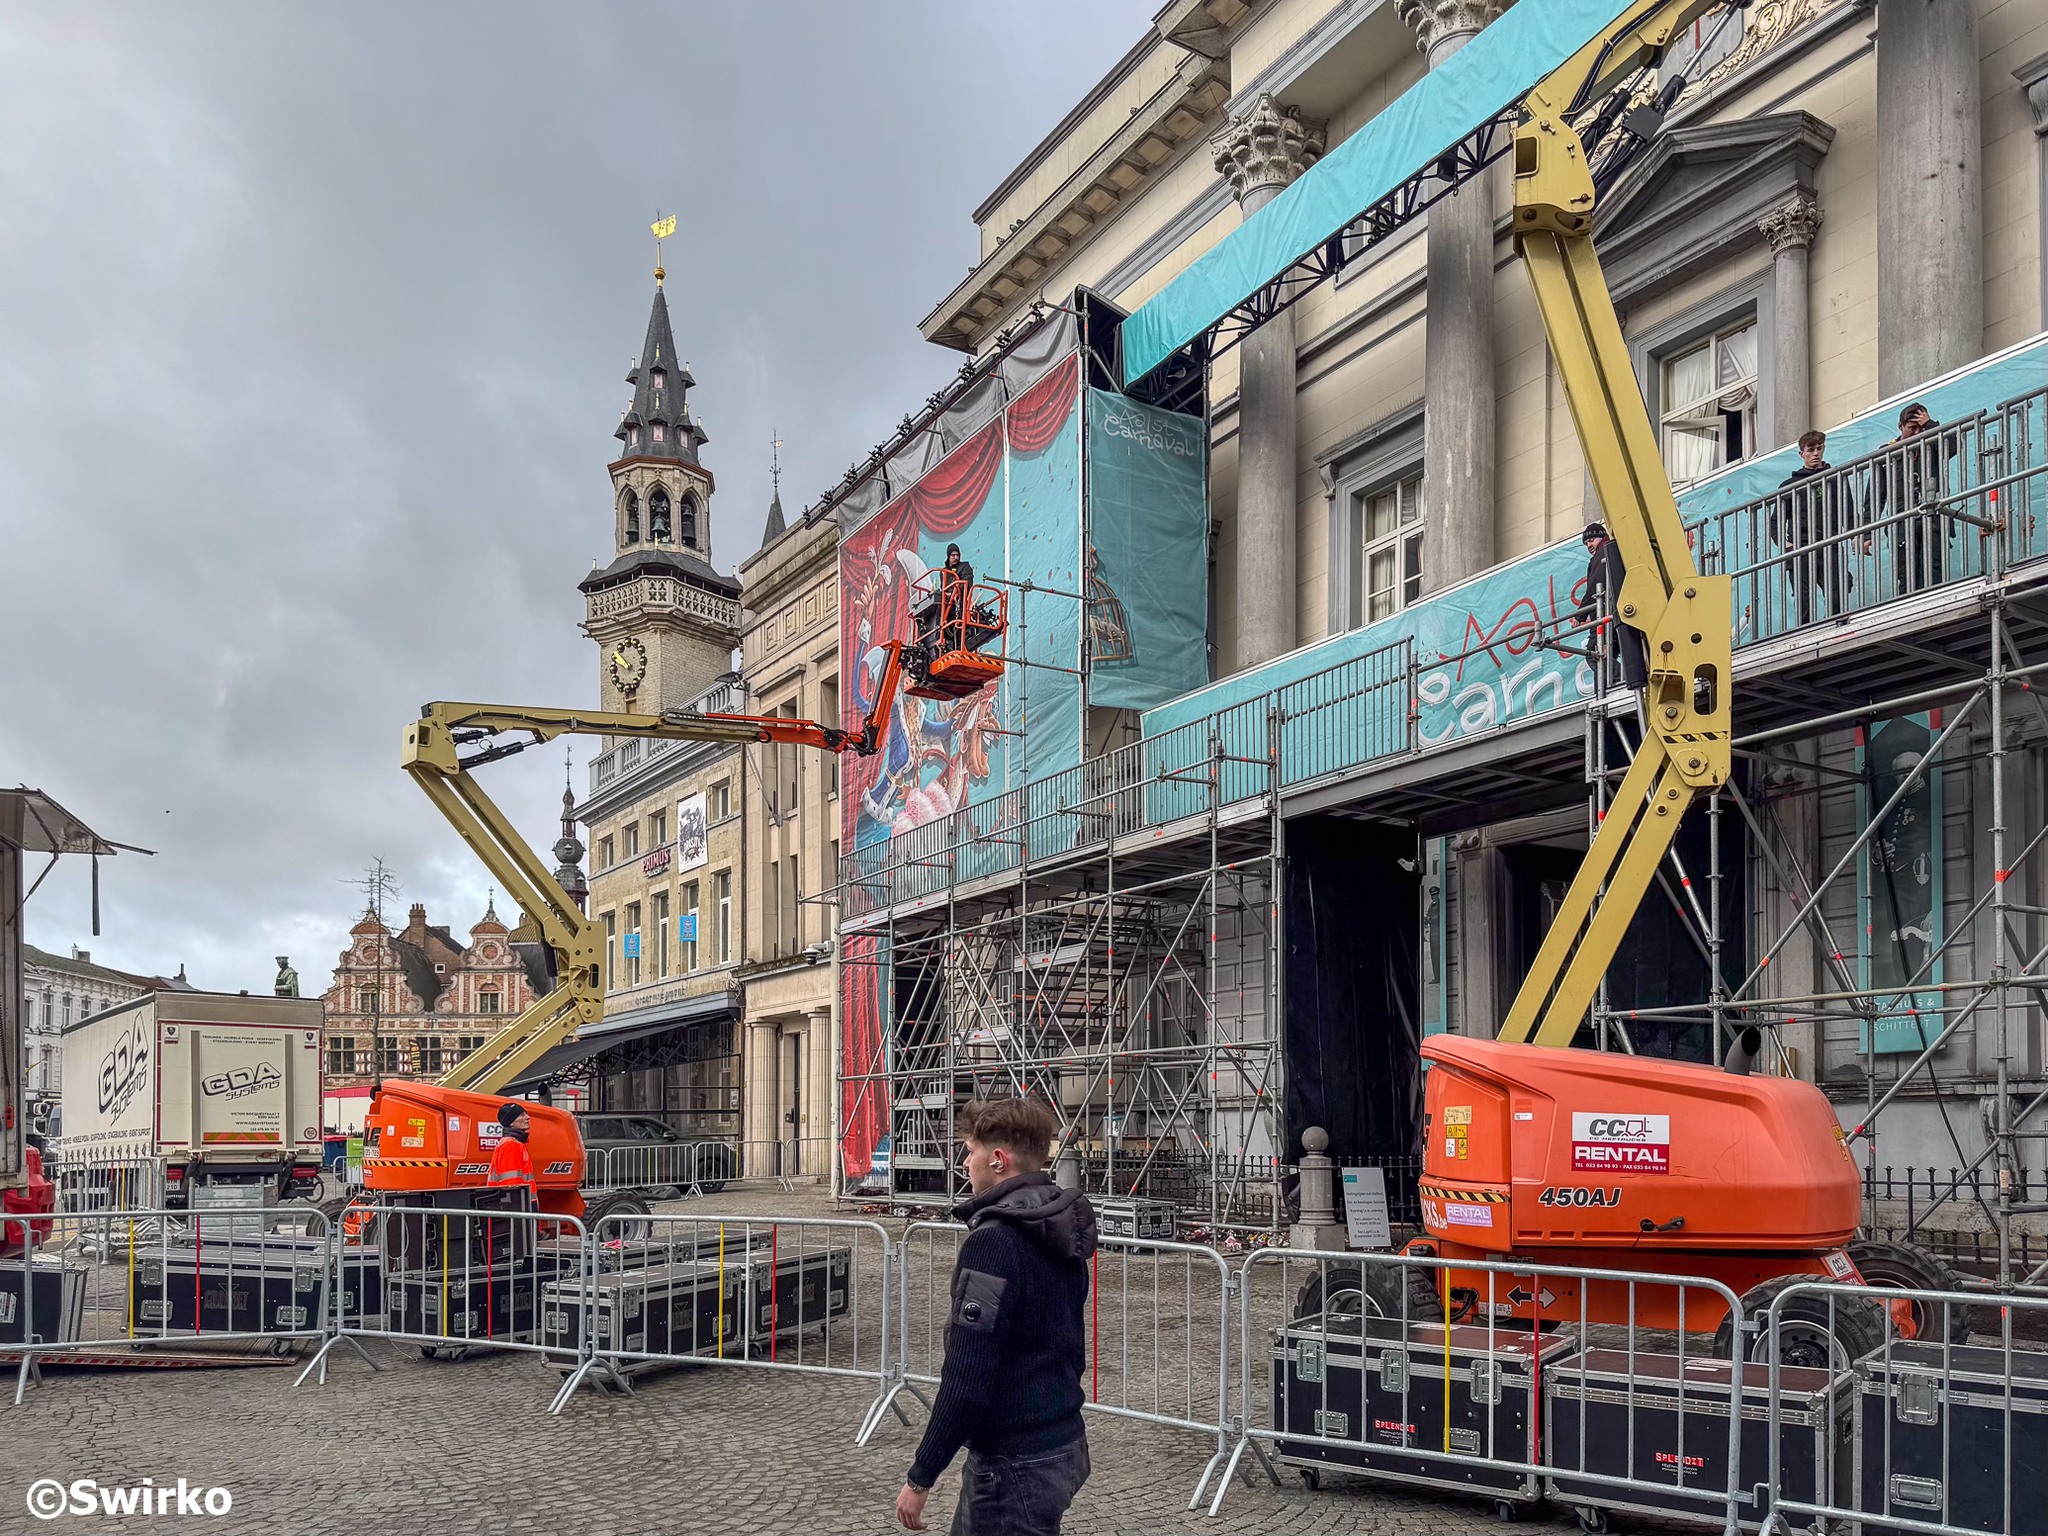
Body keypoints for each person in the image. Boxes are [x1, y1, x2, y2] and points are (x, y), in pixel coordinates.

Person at [895, 1097, 1096, 1535]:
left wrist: (922, 1474)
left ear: (998, 1159)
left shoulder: (994, 1242)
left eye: (969, 1151)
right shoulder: (1060, 1223)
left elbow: (968, 1373)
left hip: (1014, 1461)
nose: (965, 1162)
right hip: (1062, 1441)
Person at [1773, 429, 1851, 628]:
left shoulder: (1835, 477)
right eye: (1811, 449)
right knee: (1803, 595)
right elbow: (1775, 521)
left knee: (1836, 589)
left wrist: (1858, 536)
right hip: (1801, 547)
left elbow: (1848, 510)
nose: (1816, 453)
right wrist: (1786, 544)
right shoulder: (1789, 485)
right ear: (1802, 454)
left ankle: (1839, 625)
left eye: (1819, 448)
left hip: (1829, 542)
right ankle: (1804, 630)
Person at [1876, 402, 1952, 595]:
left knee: (1933, 569)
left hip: (1933, 517)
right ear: (1900, 427)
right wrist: (1866, 534)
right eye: (1912, 428)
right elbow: (1876, 494)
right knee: (1906, 573)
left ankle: (1934, 603)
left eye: (1921, 427)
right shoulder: (1887, 452)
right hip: (1903, 521)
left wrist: (1931, 425)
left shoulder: (1933, 441)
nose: (1918, 432)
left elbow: (1951, 448)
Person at [1573, 522, 1646, 690]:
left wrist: (1581, 615)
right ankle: (1610, 686)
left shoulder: (1604, 552)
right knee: (1610, 651)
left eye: (1591, 540)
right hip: (1616, 610)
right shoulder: (1608, 551)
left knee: (1595, 652)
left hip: (1606, 613)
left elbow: (1596, 584)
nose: (1589, 545)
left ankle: (1624, 680)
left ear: (1601, 536)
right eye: (1586, 543)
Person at [487, 1102, 536, 1207]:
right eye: (522, 1115)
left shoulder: (516, 1144)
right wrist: (518, 1210)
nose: (528, 1117)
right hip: (518, 1206)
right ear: (511, 1122)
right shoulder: (510, 1145)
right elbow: (511, 1185)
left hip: (522, 1204)